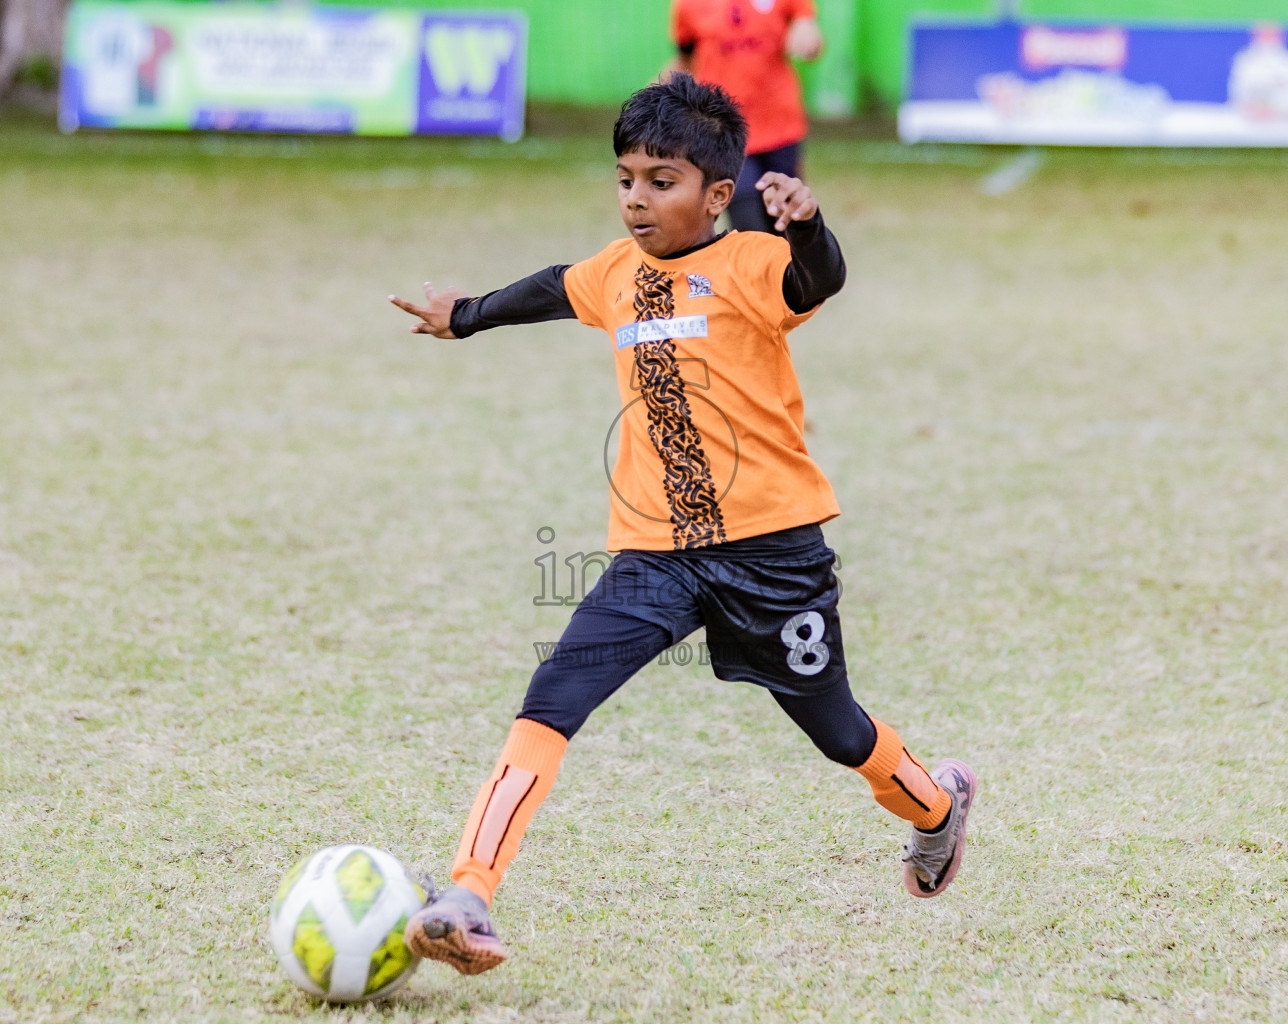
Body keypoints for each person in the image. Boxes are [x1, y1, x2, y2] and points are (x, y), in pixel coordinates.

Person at [387, 75, 977, 976]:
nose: (636, 198)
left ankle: (936, 808)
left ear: (717, 194)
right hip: (653, 557)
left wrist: (809, 225)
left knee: (838, 733)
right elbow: (555, 287)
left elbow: (820, 277)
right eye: (626, 177)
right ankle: (469, 894)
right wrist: (466, 317)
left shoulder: (749, 265)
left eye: (661, 181)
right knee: (550, 704)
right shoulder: (616, 274)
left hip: (774, 557)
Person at [666, 0, 823, 234]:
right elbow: (685, 61)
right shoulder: (687, 5)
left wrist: (808, 36)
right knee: (748, 225)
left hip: (780, 126)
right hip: (723, 130)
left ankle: (790, 270)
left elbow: (809, 36)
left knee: (786, 222)